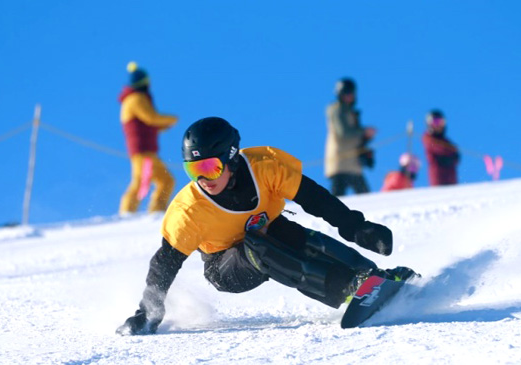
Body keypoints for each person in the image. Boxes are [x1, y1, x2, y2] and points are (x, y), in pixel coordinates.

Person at [116, 117, 417, 335]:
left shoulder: (265, 168)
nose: (203, 179)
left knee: (292, 234)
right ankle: (350, 288)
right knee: (257, 246)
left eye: (210, 167)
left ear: (230, 159)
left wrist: (357, 227)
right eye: (193, 170)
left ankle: (369, 276)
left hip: (267, 235)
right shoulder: (190, 211)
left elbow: (315, 199)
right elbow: (164, 263)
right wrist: (148, 312)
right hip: (225, 268)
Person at [118, 62, 178, 215]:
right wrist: (170, 120)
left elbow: (148, 125)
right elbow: (151, 118)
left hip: (147, 151)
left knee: (166, 180)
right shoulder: (136, 99)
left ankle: (157, 211)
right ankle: (127, 212)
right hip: (142, 151)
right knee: (140, 182)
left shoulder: (136, 98)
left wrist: (162, 125)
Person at [324, 78, 376, 196]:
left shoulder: (351, 112)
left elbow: (354, 135)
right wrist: (364, 132)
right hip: (340, 163)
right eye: (346, 93)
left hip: (353, 163)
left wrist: (366, 140)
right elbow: (343, 133)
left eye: (351, 93)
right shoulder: (336, 110)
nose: (349, 96)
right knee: (336, 204)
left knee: (367, 198)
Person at [422, 109, 460, 186]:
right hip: (438, 177)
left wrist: (454, 155)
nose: (437, 125)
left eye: (440, 122)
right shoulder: (428, 138)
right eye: (435, 122)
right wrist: (450, 153)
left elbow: (456, 154)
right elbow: (439, 148)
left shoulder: (446, 141)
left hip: (451, 177)